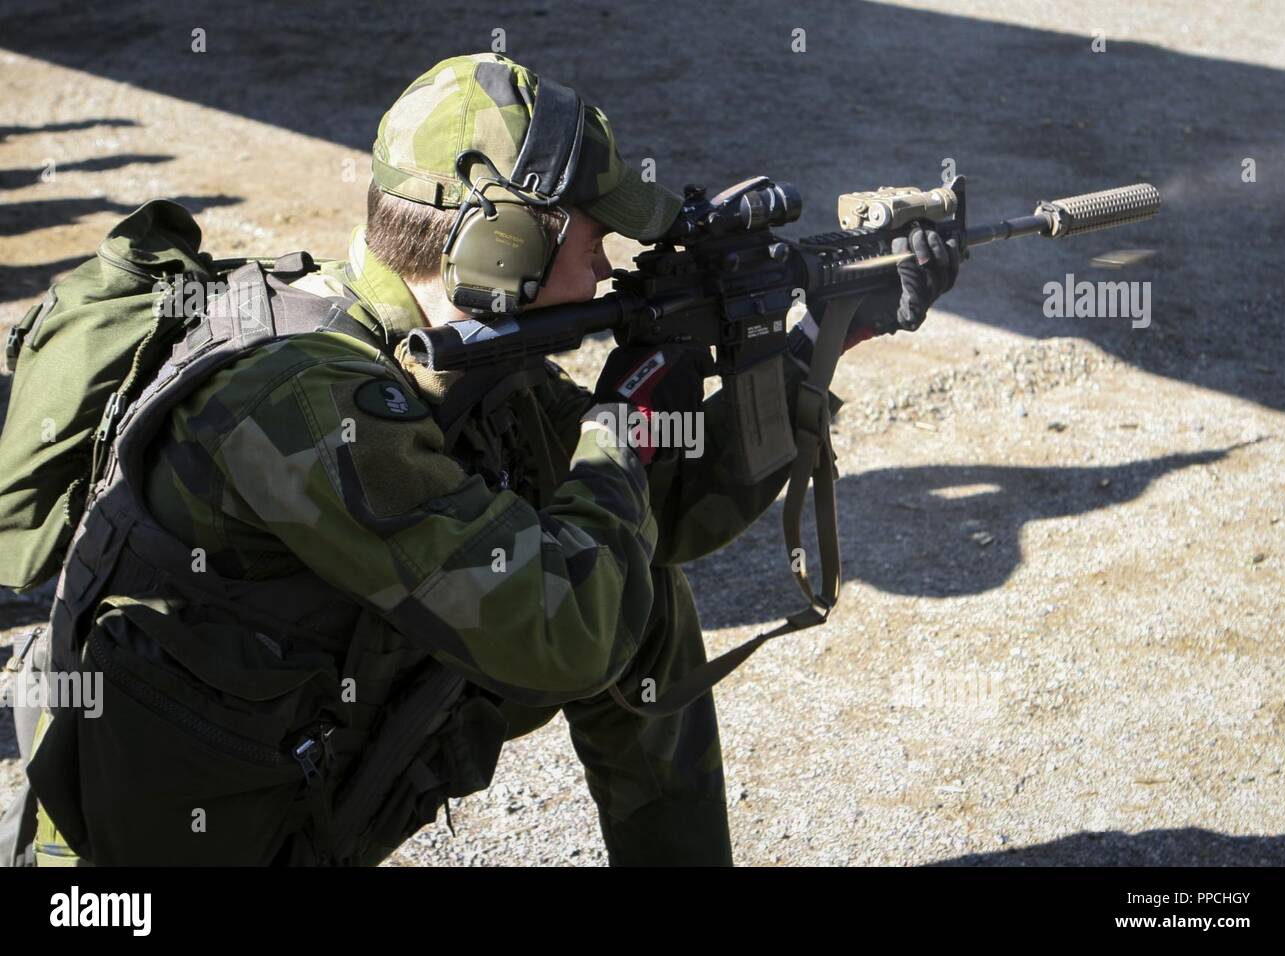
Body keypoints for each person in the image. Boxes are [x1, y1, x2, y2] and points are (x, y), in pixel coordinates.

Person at [8, 51, 958, 866]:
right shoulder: (303, 403)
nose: (605, 270)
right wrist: (620, 422)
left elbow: (660, 515)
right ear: (497, 250)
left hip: (293, 757)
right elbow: (564, 628)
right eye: (593, 239)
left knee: (637, 593)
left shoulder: (454, 363)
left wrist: (812, 342)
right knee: (587, 593)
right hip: (148, 859)